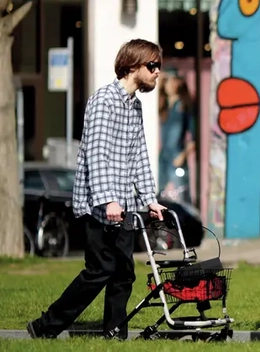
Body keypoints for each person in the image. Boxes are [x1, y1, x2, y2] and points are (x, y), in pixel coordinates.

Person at [26, 39, 168, 340]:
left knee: (124, 273)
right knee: (99, 270)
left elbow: (139, 156)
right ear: (132, 66)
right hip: (101, 206)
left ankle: (115, 334)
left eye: (159, 67)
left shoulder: (135, 107)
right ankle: (45, 326)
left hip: (126, 206)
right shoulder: (104, 100)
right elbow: (96, 153)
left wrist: (150, 199)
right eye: (152, 66)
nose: (158, 72)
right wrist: (108, 201)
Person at [157, 68, 196, 204]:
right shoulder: (163, 106)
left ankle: (183, 222)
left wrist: (183, 154)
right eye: (167, 81)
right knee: (160, 193)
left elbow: (194, 137)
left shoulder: (183, 106)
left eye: (173, 81)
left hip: (176, 155)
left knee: (181, 194)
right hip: (163, 156)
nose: (170, 84)